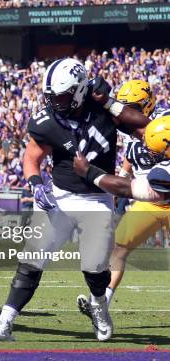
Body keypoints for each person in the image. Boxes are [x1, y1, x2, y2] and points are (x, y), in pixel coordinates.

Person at [0, 58, 150, 343]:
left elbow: (147, 129)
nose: (56, 102)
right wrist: (34, 183)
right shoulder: (47, 121)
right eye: (52, 96)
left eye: (63, 96)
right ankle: (5, 322)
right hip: (60, 196)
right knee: (32, 258)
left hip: (96, 198)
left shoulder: (103, 108)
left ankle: (99, 305)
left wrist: (109, 103)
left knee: (93, 269)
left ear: (80, 91)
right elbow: (32, 158)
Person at [75, 80, 169, 317]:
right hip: (148, 201)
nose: (127, 111)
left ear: (147, 104)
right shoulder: (130, 126)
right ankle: (102, 302)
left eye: (132, 107)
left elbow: (144, 132)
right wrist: (124, 173)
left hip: (157, 190)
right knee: (119, 248)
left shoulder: (162, 120)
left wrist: (95, 175)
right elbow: (130, 153)